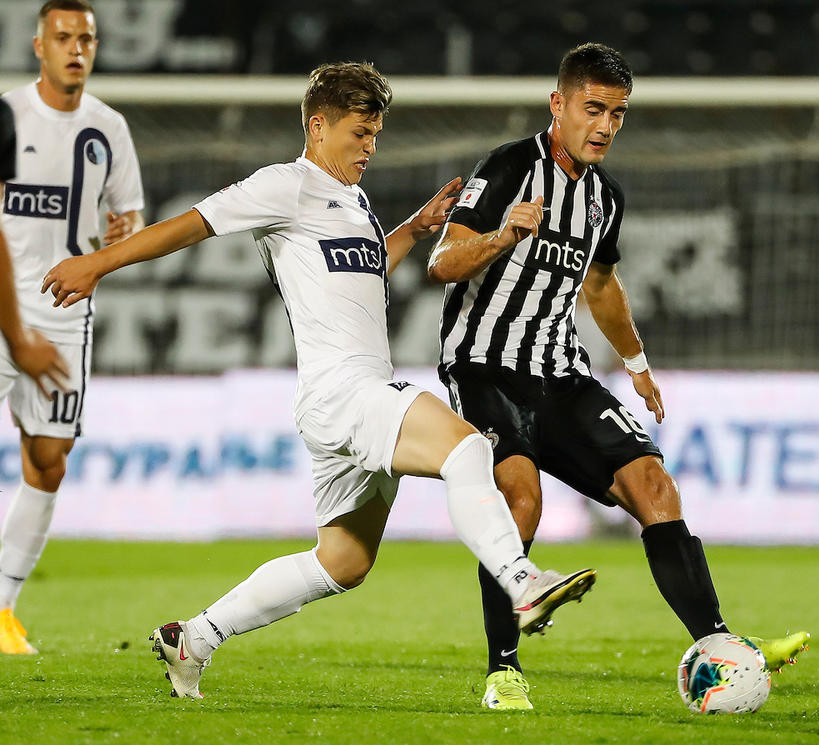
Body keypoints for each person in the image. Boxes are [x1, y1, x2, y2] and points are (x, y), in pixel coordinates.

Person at [42, 61, 595, 700]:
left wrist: (413, 231)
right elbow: (190, 225)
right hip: (345, 390)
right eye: (359, 133)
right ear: (317, 126)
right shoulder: (285, 185)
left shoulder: (352, 201)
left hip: (342, 399)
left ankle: (195, 637)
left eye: (376, 135)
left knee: (344, 562)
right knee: (467, 447)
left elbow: (362, 274)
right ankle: (521, 583)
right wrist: (97, 264)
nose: (370, 147)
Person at [428, 43, 809, 710]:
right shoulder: (510, 167)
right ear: (559, 104)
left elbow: (601, 286)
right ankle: (503, 672)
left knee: (654, 486)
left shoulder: (605, 197)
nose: (605, 125)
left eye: (618, 113)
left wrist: (637, 365)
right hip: (486, 367)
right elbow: (443, 262)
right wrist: (503, 236)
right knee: (520, 498)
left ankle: (721, 646)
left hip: (562, 374)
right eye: (593, 108)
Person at [0, 0, 145, 655]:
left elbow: (130, 215)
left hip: (62, 314)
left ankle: (3, 609)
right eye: (62, 37)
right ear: (39, 46)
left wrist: (123, 231)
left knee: (49, 459)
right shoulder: (7, 115)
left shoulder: (109, 127)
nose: (75, 48)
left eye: (85, 38)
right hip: (2, 302)